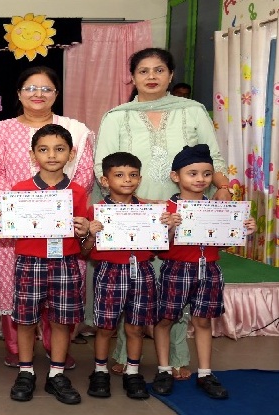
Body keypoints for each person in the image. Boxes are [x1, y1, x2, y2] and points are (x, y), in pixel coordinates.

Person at [95, 47, 231, 379]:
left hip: (184, 211)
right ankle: (126, 354)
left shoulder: (192, 111)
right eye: (143, 71)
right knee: (132, 285)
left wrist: (224, 188)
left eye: (159, 70)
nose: (151, 76)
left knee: (176, 287)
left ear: (170, 75)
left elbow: (213, 158)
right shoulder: (117, 116)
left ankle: (176, 357)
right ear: (132, 77)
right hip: (133, 213)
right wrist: (136, 201)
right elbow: (103, 165)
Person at [0, 66, 94, 368]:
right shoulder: (1, 129)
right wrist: (22, 208)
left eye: (46, 89)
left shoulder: (74, 131)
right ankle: (17, 349)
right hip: (14, 224)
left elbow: (84, 175)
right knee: (16, 288)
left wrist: (53, 208)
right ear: (19, 93)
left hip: (62, 226)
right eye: (31, 88)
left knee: (61, 289)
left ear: (56, 94)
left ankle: (57, 349)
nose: (38, 94)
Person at [0, 124, 90, 405]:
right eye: (43, 149)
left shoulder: (78, 192)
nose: (51, 155)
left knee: (61, 320)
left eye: (59, 149)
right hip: (29, 263)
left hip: (65, 263)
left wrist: (85, 230)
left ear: (71, 154)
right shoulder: (19, 191)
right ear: (33, 155)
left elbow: (84, 237)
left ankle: (57, 373)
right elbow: (6, 229)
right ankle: (26, 371)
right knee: (25, 319)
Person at [151, 144, 256, 399]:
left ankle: (205, 374)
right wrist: (170, 228)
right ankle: (164, 369)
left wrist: (244, 231)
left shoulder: (218, 208)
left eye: (207, 174)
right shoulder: (166, 209)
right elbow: (157, 248)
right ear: (176, 176)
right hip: (175, 269)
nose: (200, 179)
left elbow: (221, 243)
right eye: (193, 173)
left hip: (209, 269)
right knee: (165, 319)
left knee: (203, 321)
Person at [81, 152, 172, 400]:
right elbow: (85, 252)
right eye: (119, 175)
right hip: (109, 272)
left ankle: (133, 372)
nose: (127, 180)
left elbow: (159, 248)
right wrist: (91, 234)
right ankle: (100, 371)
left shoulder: (150, 211)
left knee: (135, 327)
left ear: (139, 179)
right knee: (104, 327)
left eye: (133, 175)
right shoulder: (97, 211)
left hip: (142, 271)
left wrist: (166, 228)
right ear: (105, 180)